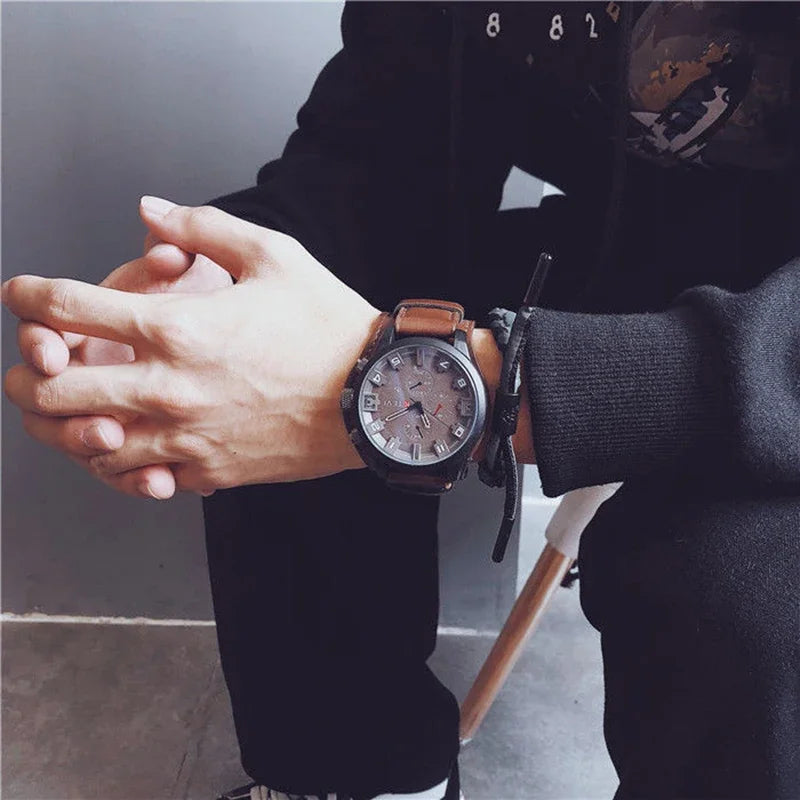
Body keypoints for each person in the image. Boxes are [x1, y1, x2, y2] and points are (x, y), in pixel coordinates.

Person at [3, 2, 799, 798]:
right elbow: (380, 148)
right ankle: (358, 775)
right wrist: (211, 289)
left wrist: (474, 391)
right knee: (266, 333)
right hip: (628, 245)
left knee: (733, 590)